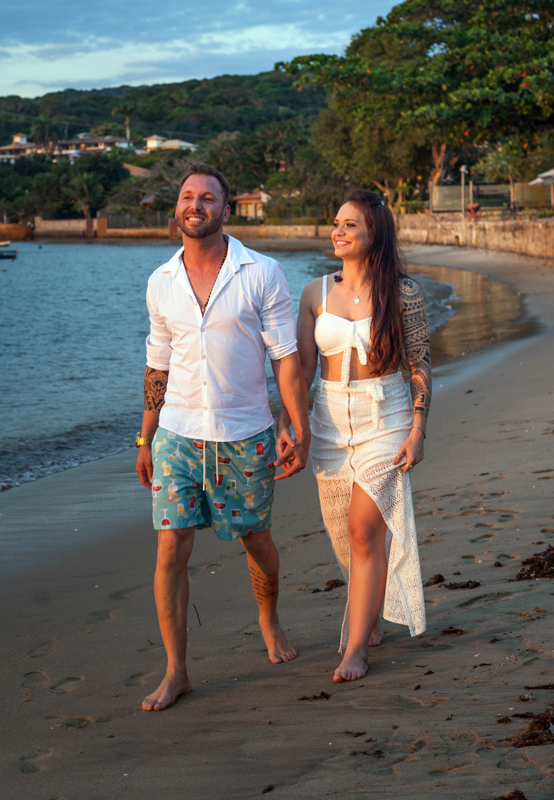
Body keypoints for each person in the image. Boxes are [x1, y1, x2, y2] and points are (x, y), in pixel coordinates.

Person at [136, 164, 311, 712]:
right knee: (171, 548)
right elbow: (157, 366)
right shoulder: (160, 282)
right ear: (177, 208)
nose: (196, 205)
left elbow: (285, 358)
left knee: (254, 539)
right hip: (177, 436)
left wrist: (296, 426)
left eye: (207, 197)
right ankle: (177, 670)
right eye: (187, 196)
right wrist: (144, 439)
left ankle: (268, 618)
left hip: (244, 434)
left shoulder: (261, 272)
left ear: (225, 209)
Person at [282, 189, 429, 684]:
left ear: (374, 234)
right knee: (344, 533)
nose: (338, 232)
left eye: (350, 225)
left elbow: (420, 365)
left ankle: (354, 650)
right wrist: (290, 425)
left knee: (366, 530)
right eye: (337, 223)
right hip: (327, 423)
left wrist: (418, 428)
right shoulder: (314, 293)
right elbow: (302, 369)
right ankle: (371, 618)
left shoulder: (402, 293)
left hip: (383, 419)